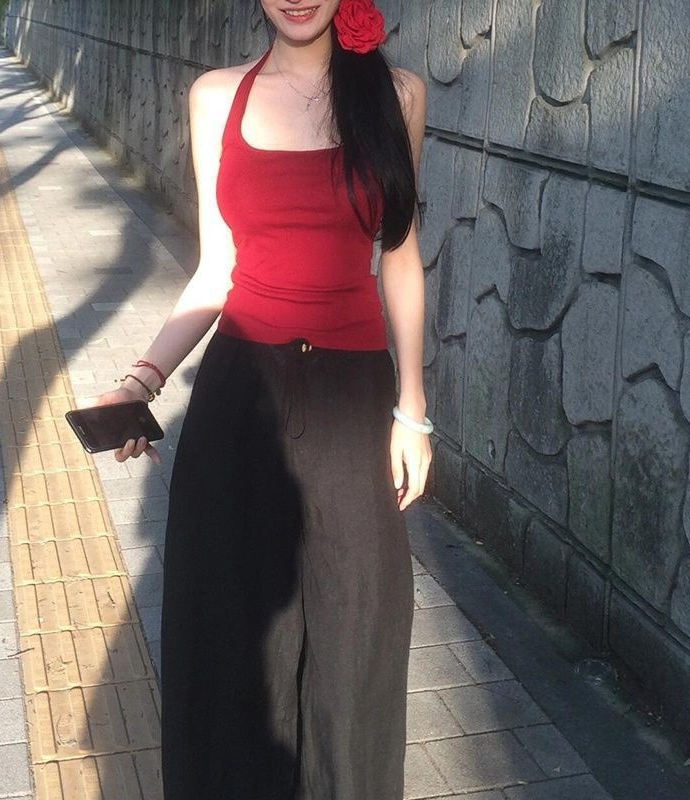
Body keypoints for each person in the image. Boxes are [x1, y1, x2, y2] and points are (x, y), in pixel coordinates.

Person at [97, 0, 430, 796]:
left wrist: (412, 411)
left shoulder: (398, 97)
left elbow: (400, 257)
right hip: (239, 398)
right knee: (234, 641)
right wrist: (141, 380)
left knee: (359, 634)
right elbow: (218, 270)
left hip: (353, 400)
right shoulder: (216, 96)